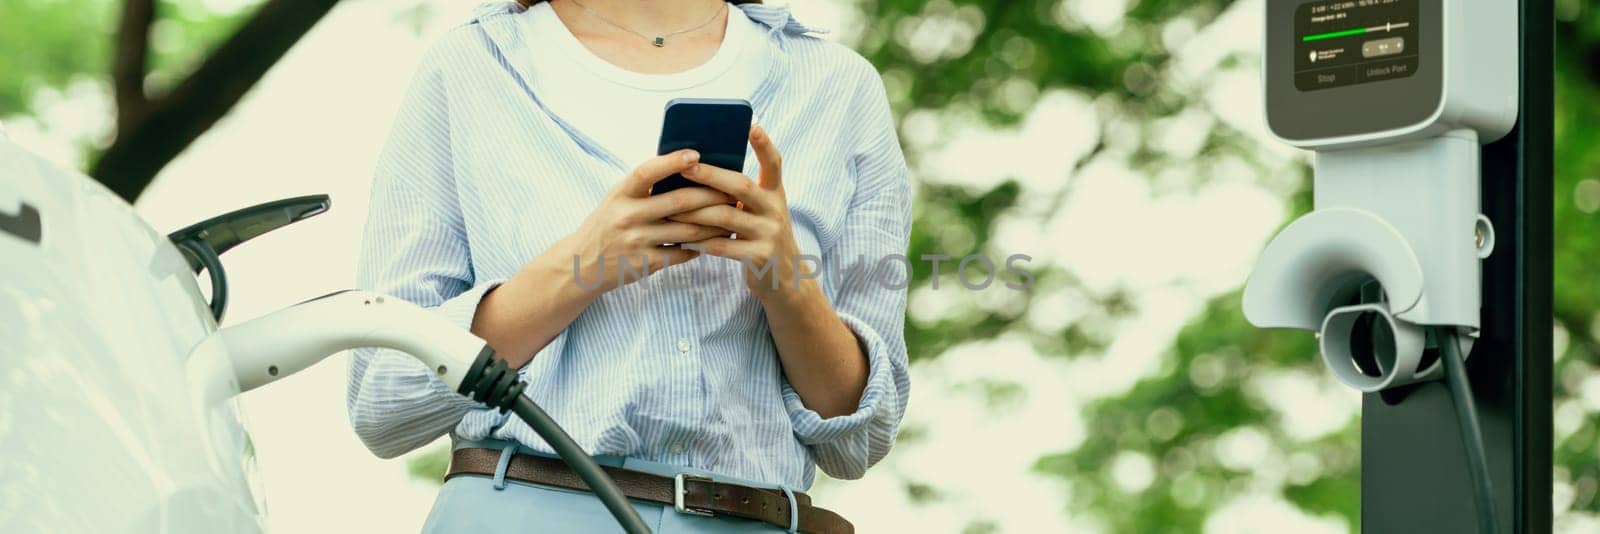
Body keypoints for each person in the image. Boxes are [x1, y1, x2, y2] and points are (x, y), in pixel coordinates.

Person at [346, 0, 911, 531]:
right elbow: (383, 401)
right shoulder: (469, 68)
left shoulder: (839, 84)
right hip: (523, 512)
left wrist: (788, 285)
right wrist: (583, 265)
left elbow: (858, 440)